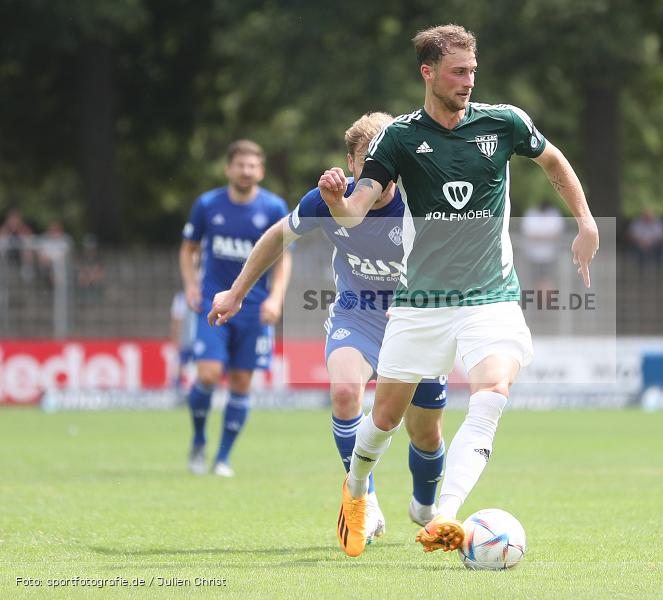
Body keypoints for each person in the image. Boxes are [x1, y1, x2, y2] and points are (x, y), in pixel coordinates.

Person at [313, 24, 599, 557]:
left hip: (491, 296)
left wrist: (584, 220)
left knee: (492, 392)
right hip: (421, 302)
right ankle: (355, 489)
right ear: (428, 73)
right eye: (458, 72)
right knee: (385, 419)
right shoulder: (398, 137)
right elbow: (355, 211)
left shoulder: (504, 122)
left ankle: (444, 515)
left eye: (473, 71)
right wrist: (335, 201)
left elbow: (553, 161)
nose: (469, 81)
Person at [207, 113, 450, 544]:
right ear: (352, 163)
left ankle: (425, 506)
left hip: (415, 322)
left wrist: (422, 303)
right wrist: (237, 291)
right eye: (367, 160)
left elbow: (452, 265)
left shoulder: (422, 201)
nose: (378, 170)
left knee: (426, 433)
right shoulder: (328, 200)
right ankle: (364, 501)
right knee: (344, 392)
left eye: (386, 160)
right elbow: (277, 236)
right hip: (357, 316)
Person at [179, 139, 291, 477]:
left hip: (254, 309)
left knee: (241, 381)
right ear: (229, 169)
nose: (246, 171)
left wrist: (275, 298)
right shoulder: (207, 205)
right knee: (208, 374)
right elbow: (188, 249)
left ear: (261, 171)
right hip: (213, 303)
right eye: (240, 165)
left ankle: (223, 458)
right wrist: (191, 285)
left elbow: (283, 258)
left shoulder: (273, 207)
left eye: (252, 166)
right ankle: (199, 440)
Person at [521, 199, 565, 290]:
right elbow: (529, 235)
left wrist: (539, 237)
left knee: (549, 282)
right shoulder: (531, 213)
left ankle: (548, 298)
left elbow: (557, 234)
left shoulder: (553, 214)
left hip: (550, 256)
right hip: (533, 256)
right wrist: (546, 236)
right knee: (534, 283)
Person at [169, 290, 195, 396]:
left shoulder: (205, 295)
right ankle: (177, 390)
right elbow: (176, 321)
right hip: (186, 339)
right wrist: (175, 339)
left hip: (199, 339)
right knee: (181, 362)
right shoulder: (180, 298)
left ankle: (194, 390)